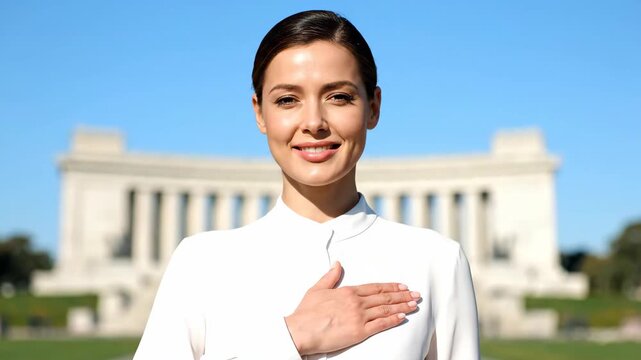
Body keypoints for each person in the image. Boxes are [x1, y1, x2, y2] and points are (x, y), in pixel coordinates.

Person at [134, 10, 479, 360]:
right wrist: (291, 337)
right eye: (287, 100)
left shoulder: (436, 261)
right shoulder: (201, 264)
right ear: (259, 113)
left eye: (339, 97)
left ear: (373, 107)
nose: (314, 122)